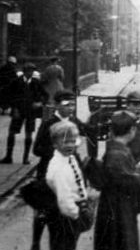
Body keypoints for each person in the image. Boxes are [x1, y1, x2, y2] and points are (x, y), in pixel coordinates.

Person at [32, 90, 99, 250]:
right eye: (67, 105)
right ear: (56, 105)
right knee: (44, 211)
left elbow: (89, 133)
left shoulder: (74, 120)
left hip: (71, 170)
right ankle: (36, 242)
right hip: (50, 171)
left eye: (73, 104)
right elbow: (37, 149)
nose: (71, 108)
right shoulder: (49, 123)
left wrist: (95, 122)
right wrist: (57, 151)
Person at [94, 111, 140, 250]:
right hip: (119, 209)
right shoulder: (118, 153)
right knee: (122, 242)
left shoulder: (115, 149)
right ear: (132, 130)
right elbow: (125, 180)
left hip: (113, 207)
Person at [44, 120, 94, 250]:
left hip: (71, 212)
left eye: (73, 141)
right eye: (65, 142)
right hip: (65, 216)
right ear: (55, 144)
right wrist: (77, 215)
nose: (70, 145)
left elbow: (78, 180)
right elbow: (64, 199)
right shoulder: (58, 167)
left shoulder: (69, 158)